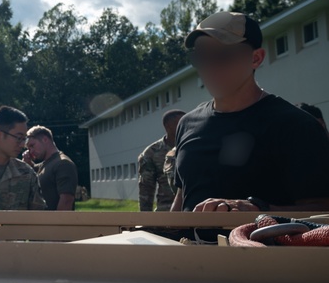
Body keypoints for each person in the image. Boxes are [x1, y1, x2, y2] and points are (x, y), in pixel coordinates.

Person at [171, 11, 329, 212]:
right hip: (185, 244)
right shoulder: (187, 123)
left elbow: (323, 210)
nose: (210, 66)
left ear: (256, 58)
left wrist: (260, 211)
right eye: (201, 56)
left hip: (257, 243)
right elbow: (182, 197)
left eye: (223, 55)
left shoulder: (296, 126)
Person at [137, 109, 185, 212]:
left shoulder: (193, 146)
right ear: (167, 126)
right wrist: (145, 220)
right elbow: (146, 189)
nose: (186, 126)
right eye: (181, 123)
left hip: (193, 210)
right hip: (165, 212)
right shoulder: (151, 152)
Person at [24, 125, 78, 210]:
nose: (31, 151)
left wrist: (57, 223)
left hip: (53, 222)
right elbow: (35, 170)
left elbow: (66, 201)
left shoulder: (63, 164)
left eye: (32, 145)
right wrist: (27, 163)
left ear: (45, 139)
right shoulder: (46, 164)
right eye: (28, 148)